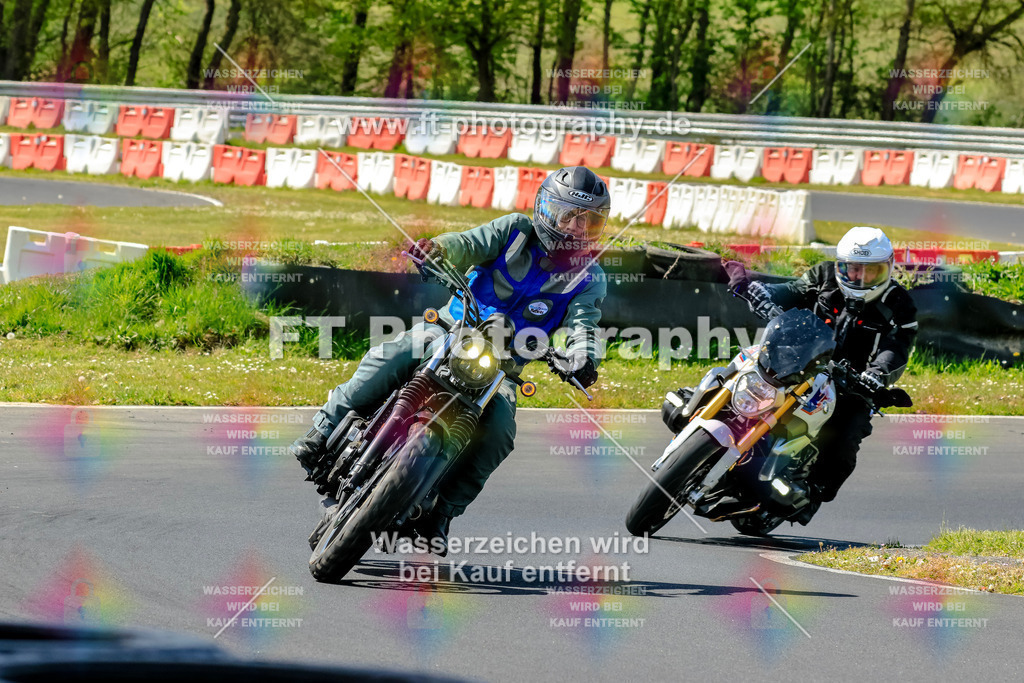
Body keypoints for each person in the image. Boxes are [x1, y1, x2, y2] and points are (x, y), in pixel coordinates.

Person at [288, 166, 611, 553]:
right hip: (450, 330)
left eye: (589, 221)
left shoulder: (590, 278)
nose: (576, 228)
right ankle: (322, 431)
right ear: (544, 208)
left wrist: (583, 357)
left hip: (502, 369)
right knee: (394, 354)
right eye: (568, 215)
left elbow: (584, 326)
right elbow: (467, 244)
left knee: (500, 431)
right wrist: (438, 250)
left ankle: (441, 513)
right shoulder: (514, 231)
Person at [724, 226, 917, 522]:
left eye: (872, 271)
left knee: (848, 432)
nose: (861, 278)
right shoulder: (823, 276)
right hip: (799, 361)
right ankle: (695, 406)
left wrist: (877, 374)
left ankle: (814, 490)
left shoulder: (899, 303)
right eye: (854, 269)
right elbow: (792, 292)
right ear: (841, 266)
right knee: (745, 364)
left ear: (888, 268)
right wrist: (764, 293)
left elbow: (897, 347)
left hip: (852, 384)